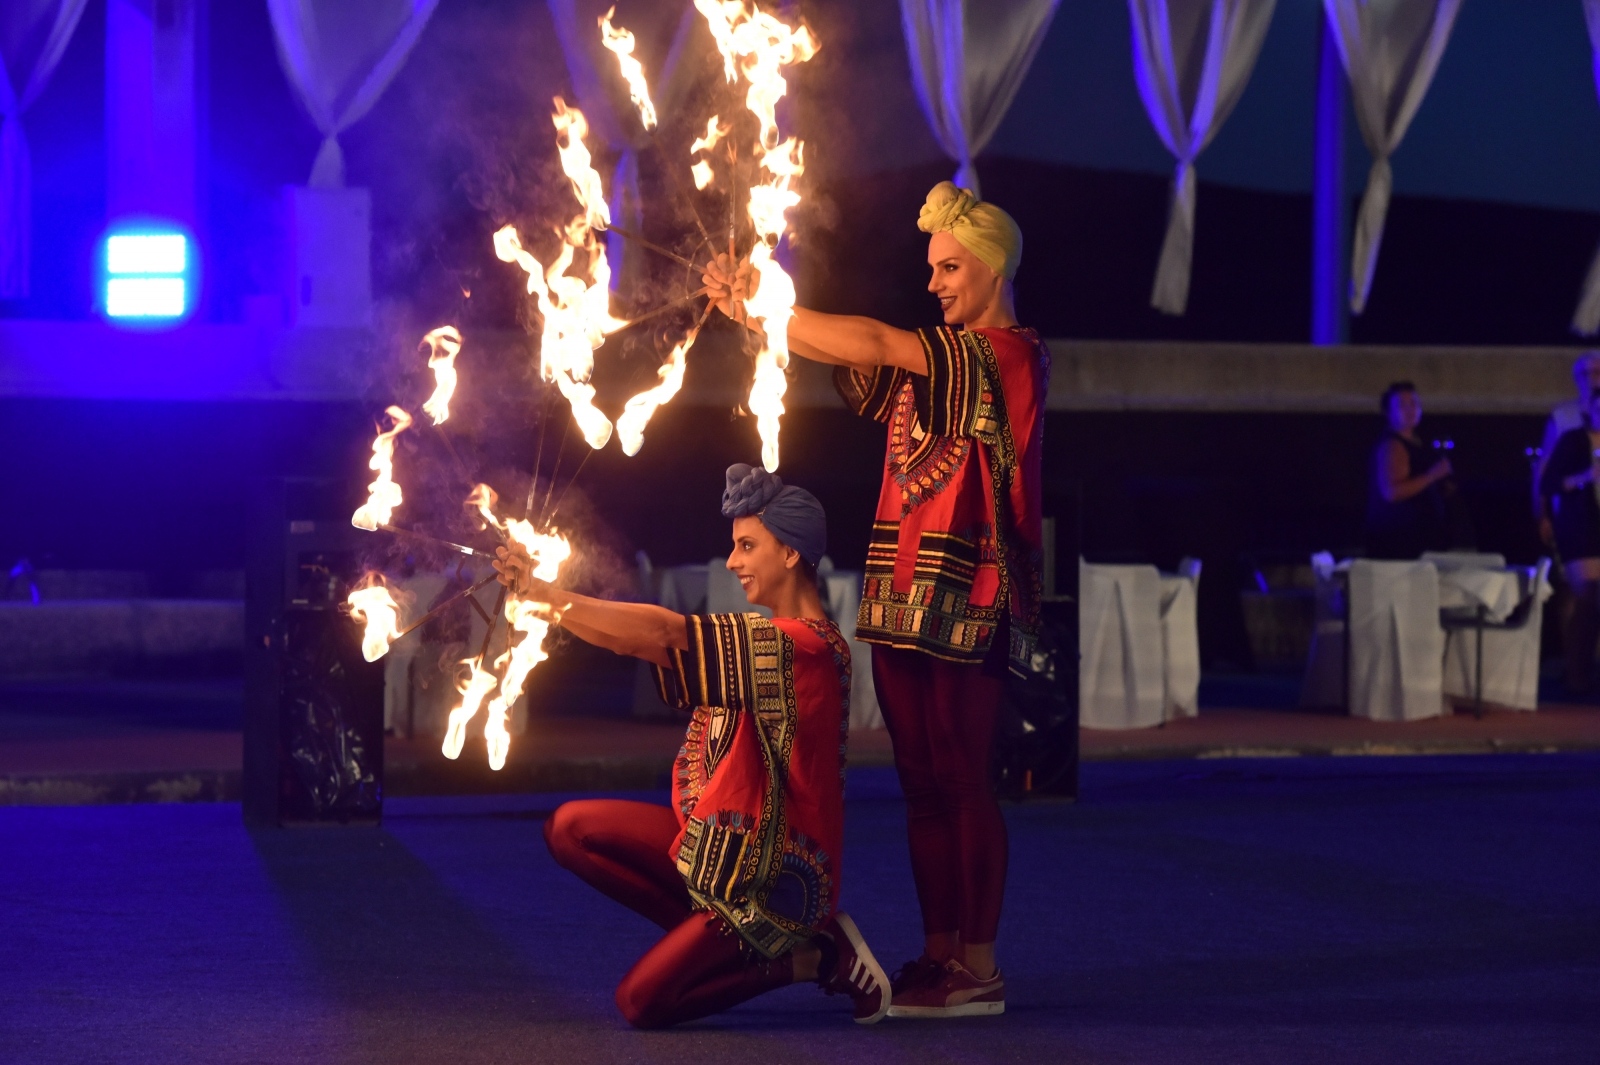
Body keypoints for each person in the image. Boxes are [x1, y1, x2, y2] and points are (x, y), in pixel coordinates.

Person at [703, 181, 1048, 1018]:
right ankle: (939, 956)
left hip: (969, 595)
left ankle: (981, 965)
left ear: (993, 269)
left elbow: (872, 340)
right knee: (922, 782)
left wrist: (770, 304)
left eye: (950, 267)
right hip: (900, 600)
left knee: (963, 780)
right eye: (932, 268)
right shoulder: (937, 366)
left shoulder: (1003, 356)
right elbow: (856, 360)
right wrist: (753, 312)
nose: (935, 282)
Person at [494, 464, 890, 1027]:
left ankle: (814, 958)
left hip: (766, 883)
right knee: (570, 828)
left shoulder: (808, 649)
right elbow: (646, 647)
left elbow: (663, 635)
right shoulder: (767, 641)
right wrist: (539, 602)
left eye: (748, 546)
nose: (733, 562)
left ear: (791, 554)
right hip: (720, 852)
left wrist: (547, 595)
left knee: (641, 1003)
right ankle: (725, 945)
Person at [1363, 381, 1474, 559]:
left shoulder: (1416, 442)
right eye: (1402, 405)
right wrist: (1432, 475)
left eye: (1414, 403)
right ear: (1388, 412)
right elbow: (1391, 492)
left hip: (1418, 542)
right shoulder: (1392, 445)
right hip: (1399, 543)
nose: (1410, 409)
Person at [1538, 389, 1600, 693]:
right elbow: (1549, 482)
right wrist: (1584, 477)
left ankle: (1583, 670)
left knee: (1593, 603)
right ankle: (1576, 674)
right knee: (1588, 598)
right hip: (1581, 528)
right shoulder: (1574, 440)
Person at [1534, 351, 1600, 548]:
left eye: (1598, 372)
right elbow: (1544, 469)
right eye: (1589, 373)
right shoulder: (1564, 416)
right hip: (1576, 513)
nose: (1594, 379)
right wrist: (1542, 514)